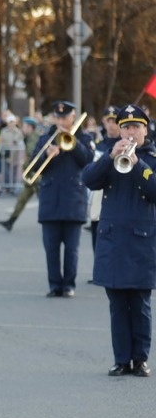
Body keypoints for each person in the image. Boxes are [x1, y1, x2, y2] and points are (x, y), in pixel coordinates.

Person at [82, 104, 156, 377]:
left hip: (141, 240)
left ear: (145, 130)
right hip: (113, 239)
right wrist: (109, 157)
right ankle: (121, 359)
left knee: (140, 304)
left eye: (135, 127)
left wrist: (138, 165)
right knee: (117, 304)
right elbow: (88, 179)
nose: (130, 132)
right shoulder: (111, 153)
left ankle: (140, 359)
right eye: (126, 127)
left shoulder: (152, 158)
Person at [32, 101, 94, 297]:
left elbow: (88, 160)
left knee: (72, 249)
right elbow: (34, 166)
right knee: (51, 248)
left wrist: (74, 143)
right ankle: (54, 285)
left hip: (73, 199)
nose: (60, 121)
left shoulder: (84, 138)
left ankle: (68, 284)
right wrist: (46, 154)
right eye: (57, 117)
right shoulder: (45, 139)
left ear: (73, 117)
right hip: (50, 200)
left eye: (64, 117)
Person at [0, 116, 43, 231]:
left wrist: (25, 166)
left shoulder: (33, 138)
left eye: (25, 126)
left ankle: (52, 224)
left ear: (30, 127)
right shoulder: (30, 137)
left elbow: (33, 157)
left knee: (44, 201)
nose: (23, 128)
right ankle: (10, 221)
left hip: (35, 176)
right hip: (31, 176)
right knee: (22, 199)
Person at [88, 105, 122, 253]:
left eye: (115, 121)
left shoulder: (126, 145)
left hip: (118, 201)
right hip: (98, 200)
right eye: (109, 121)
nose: (112, 124)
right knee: (98, 248)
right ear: (103, 121)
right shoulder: (97, 146)